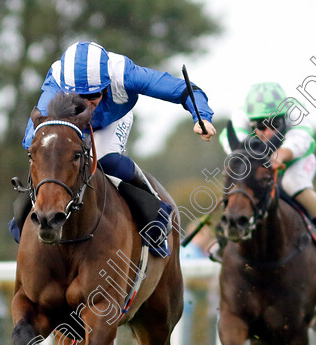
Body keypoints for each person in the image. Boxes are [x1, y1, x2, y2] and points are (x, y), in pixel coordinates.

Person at [14, 41, 216, 248]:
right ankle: (22, 217)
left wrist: (202, 116)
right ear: (65, 89)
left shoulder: (125, 74)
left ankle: (155, 210)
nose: (85, 104)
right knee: (50, 154)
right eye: (77, 97)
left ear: (106, 84)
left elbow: (183, 90)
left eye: (93, 95)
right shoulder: (57, 80)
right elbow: (34, 135)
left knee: (105, 161)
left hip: (113, 120)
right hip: (73, 125)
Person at [216, 82, 316, 277]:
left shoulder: (295, 112)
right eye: (260, 126)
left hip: (296, 161)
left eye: (273, 125)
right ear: (251, 121)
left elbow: (301, 139)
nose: (266, 132)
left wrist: (281, 154)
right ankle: (224, 233)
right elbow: (230, 142)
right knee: (237, 181)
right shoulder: (241, 116)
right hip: (259, 165)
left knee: (292, 184)